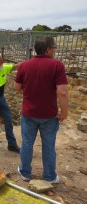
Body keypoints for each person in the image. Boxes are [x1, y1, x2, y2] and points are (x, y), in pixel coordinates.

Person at [14, 36, 68, 184]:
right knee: (49, 145)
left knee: (27, 143)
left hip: (29, 113)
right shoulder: (57, 65)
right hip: (49, 115)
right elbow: (62, 92)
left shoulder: (24, 65)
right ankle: (49, 176)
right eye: (54, 47)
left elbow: (16, 88)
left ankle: (25, 173)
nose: (55, 50)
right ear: (48, 49)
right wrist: (64, 112)